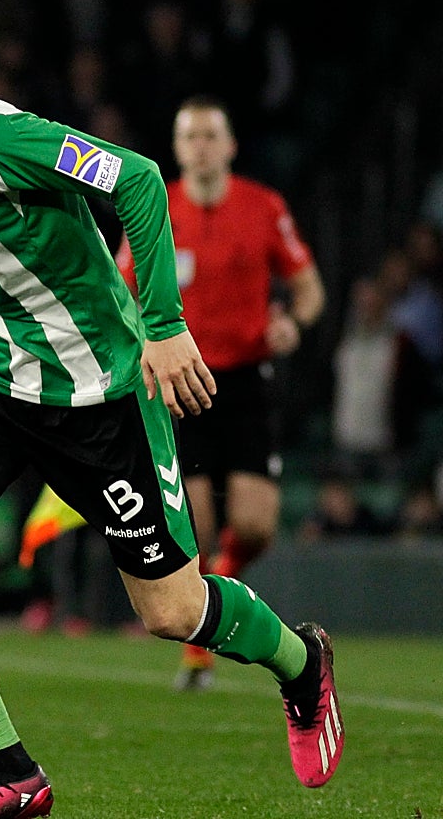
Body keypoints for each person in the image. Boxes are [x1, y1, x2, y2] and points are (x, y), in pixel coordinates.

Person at [0, 0, 344, 815]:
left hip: (101, 392)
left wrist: (162, 325)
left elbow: (137, 179)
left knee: (173, 609)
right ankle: (9, 772)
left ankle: (302, 665)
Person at [115, 94, 326, 692]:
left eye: (211, 135)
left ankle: (225, 584)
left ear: (230, 145)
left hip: (246, 381)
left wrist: (295, 322)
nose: (201, 146)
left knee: (256, 526)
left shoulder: (264, 207)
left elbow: (309, 287)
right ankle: (201, 651)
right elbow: (118, 288)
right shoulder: (158, 207)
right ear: (178, 148)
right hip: (181, 384)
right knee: (199, 528)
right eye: (190, 137)